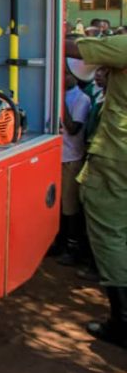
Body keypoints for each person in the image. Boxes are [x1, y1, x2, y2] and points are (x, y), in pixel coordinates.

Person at [65, 35, 127, 348]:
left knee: (110, 235)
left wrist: (42, 27)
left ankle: (122, 322)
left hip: (117, 156)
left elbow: (73, 49)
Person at [57, 66, 91, 266]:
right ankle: (59, 243)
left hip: (71, 159)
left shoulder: (82, 99)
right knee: (58, 204)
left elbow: (72, 128)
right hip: (57, 157)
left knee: (70, 207)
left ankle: (73, 248)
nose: (63, 77)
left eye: (67, 74)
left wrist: (59, 101)